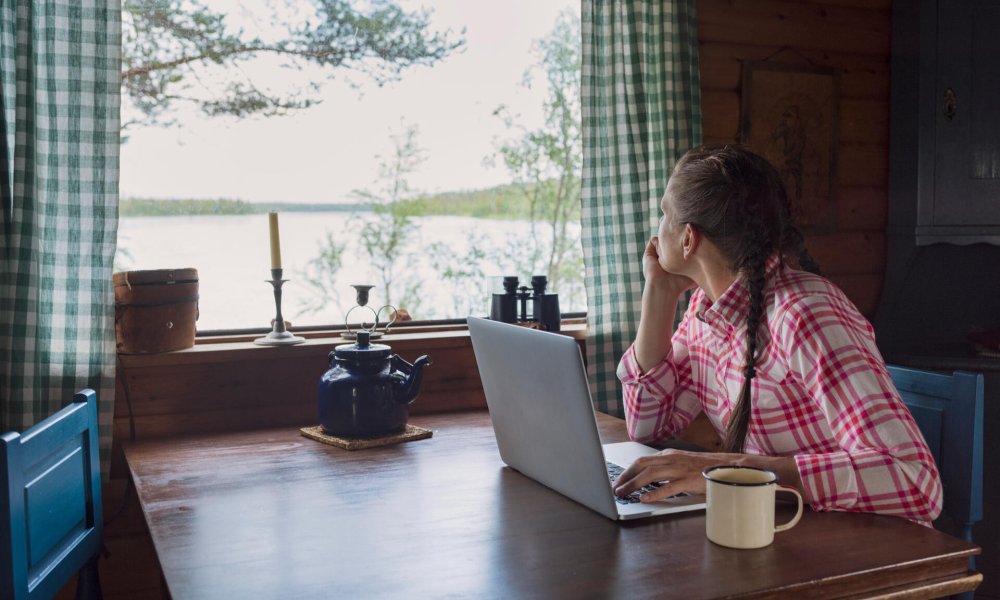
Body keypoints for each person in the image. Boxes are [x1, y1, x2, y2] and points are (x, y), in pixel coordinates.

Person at [612, 144, 942, 524]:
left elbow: (915, 480)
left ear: (688, 239)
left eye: (663, 214)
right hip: (788, 529)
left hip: (864, 542)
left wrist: (727, 470)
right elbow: (647, 426)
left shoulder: (806, 313)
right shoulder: (706, 311)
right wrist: (659, 293)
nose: (656, 229)